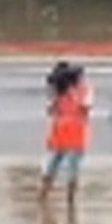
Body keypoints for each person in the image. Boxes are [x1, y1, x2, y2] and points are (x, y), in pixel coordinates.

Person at [38, 61, 93, 208]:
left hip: (76, 137)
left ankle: (71, 203)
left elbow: (85, 109)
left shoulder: (84, 90)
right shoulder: (58, 92)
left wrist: (72, 94)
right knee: (49, 168)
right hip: (58, 136)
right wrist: (56, 96)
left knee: (73, 172)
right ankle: (42, 200)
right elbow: (50, 111)